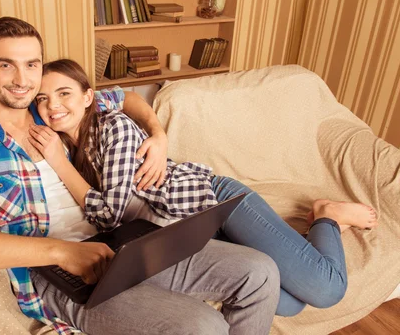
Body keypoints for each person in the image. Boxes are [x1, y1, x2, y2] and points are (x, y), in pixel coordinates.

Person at [0, 17, 280, 335]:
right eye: (6, 65)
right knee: (202, 325)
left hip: (120, 239)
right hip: (55, 271)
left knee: (260, 271)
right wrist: (61, 253)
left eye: (31, 64)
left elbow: (122, 97)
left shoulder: (51, 106)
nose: (22, 80)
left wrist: (158, 134)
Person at [28, 58, 379, 317]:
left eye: (63, 93)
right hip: (190, 231)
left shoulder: (111, 127)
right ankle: (298, 244)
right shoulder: (71, 147)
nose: (54, 105)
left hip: (215, 202)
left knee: (326, 288)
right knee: (287, 302)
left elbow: (109, 214)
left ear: (89, 96)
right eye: (43, 98)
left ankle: (326, 217)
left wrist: (60, 160)